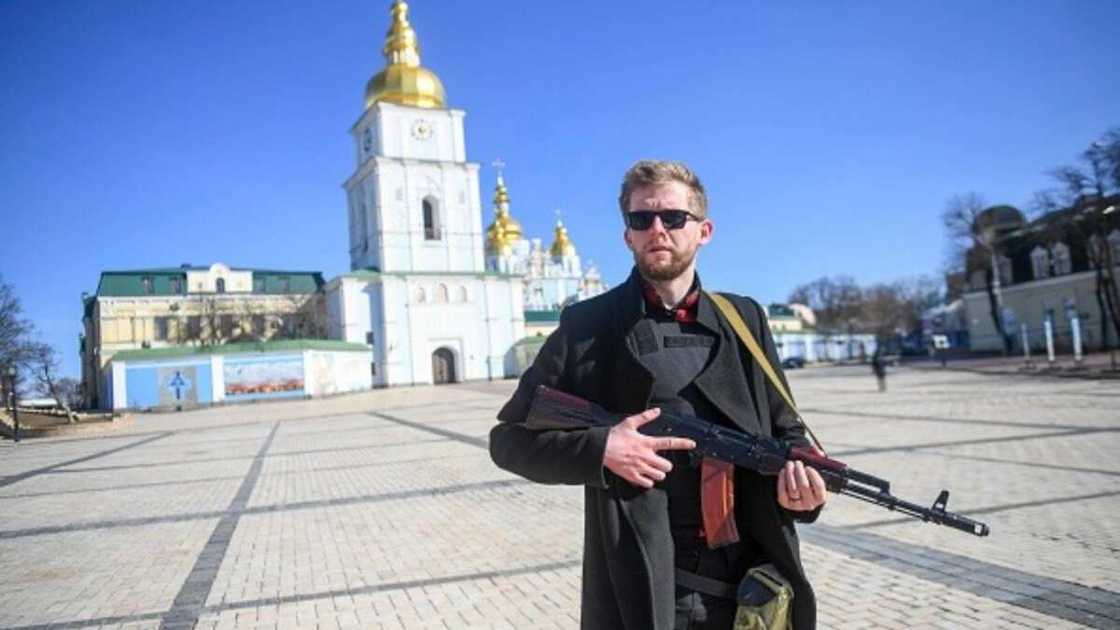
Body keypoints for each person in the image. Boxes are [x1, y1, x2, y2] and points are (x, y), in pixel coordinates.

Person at [489, 160, 827, 630]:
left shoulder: (745, 321)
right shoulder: (587, 327)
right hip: (642, 586)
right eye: (640, 219)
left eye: (673, 217)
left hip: (751, 587)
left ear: (703, 230)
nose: (657, 230)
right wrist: (601, 448)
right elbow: (508, 440)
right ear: (627, 235)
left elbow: (786, 432)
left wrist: (802, 493)